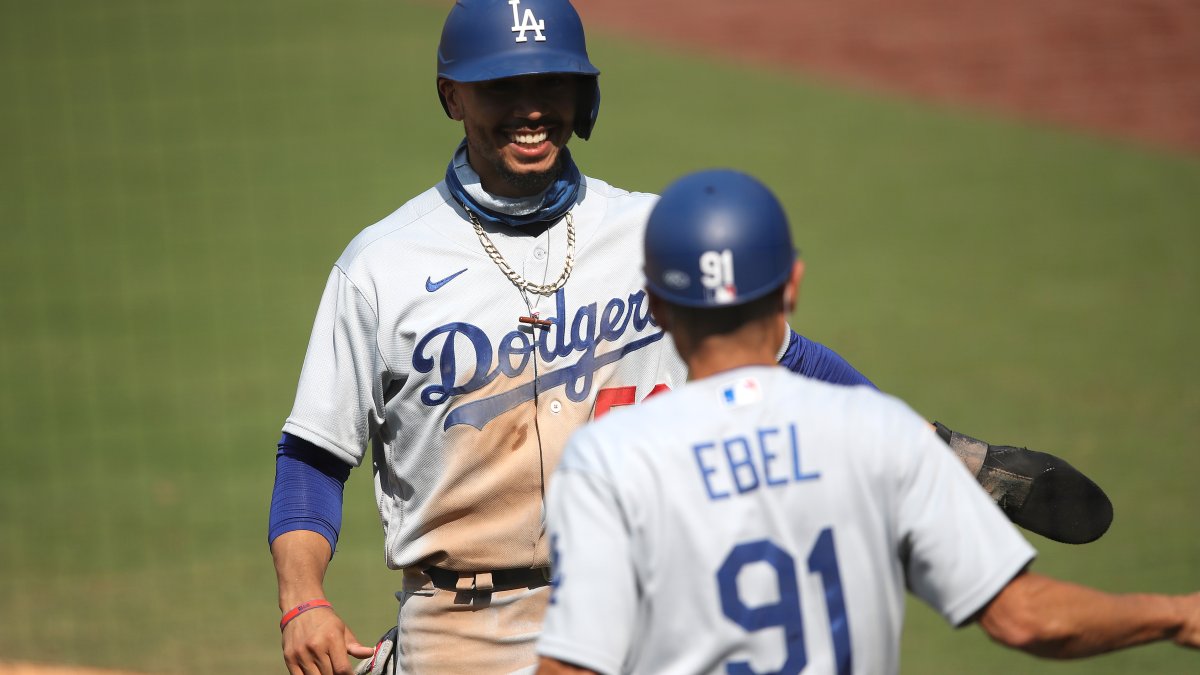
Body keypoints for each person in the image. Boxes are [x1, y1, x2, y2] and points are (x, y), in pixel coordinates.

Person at [267, 2, 1111, 673]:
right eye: (502, 87)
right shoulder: (382, 266)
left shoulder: (652, 232)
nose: (532, 109)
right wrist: (304, 597)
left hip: (651, 609)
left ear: (582, 93)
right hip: (461, 632)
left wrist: (961, 459)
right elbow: (314, 454)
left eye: (552, 83)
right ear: (453, 96)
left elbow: (788, 361)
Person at [535, 169, 1200, 675]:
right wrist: (1177, 614)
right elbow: (1028, 619)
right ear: (791, 286)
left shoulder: (612, 457)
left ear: (655, 303)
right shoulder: (875, 433)